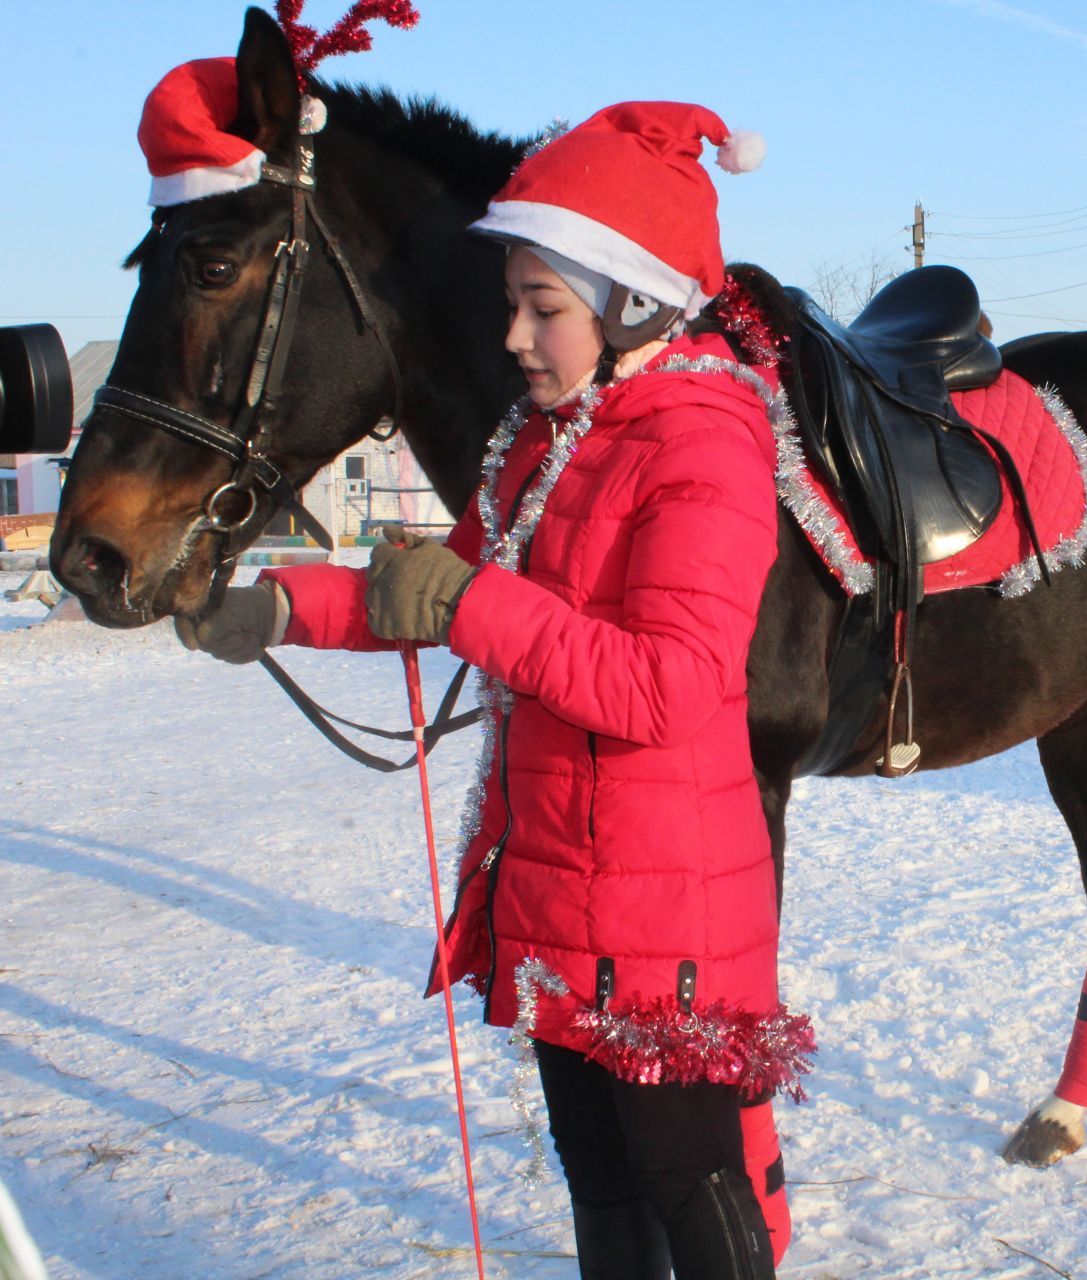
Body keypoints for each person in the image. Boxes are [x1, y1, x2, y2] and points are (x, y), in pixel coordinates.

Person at [177, 102, 807, 1280]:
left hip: (666, 907)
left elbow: (667, 684)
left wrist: (468, 605)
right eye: (513, 299)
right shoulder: (542, 440)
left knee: (688, 1179)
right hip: (558, 883)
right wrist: (275, 607)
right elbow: (439, 584)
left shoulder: (703, 445)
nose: (513, 333)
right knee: (598, 1177)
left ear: (632, 302)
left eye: (543, 306)